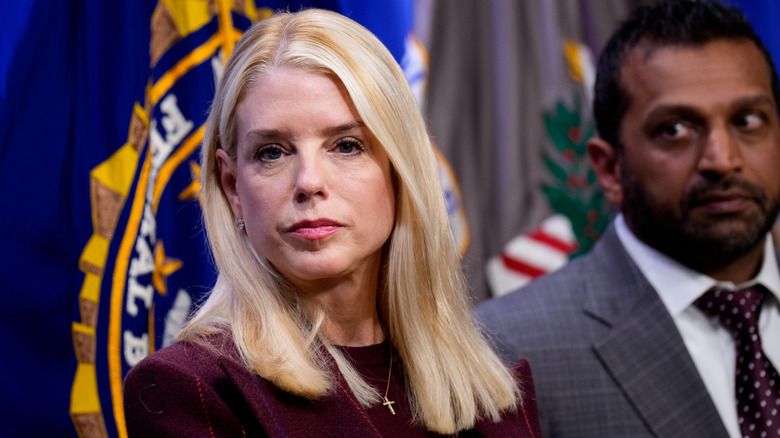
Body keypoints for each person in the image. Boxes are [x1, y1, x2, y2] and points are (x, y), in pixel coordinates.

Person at [123, 9, 541, 437]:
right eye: (272, 152)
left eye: (346, 145)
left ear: (400, 170)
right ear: (232, 188)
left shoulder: (488, 389)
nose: (309, 182)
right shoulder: (191, 389)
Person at [477, 1, 780, 437]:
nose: (723, 159)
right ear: (609, 169)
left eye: (748, 121)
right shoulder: (506, 354)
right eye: (675, 129)